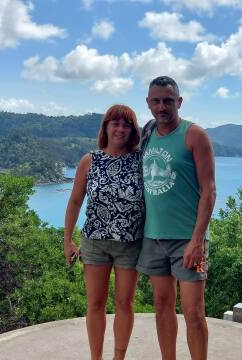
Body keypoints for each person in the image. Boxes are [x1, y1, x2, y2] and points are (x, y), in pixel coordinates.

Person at [136, 76, 216, 360]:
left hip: (187, 239)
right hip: (153, 237)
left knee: (194, 313)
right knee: (162, 307)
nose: (162, 106)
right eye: (156, 101)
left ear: (179, 102)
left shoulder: (194, 135)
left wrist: (198, 240)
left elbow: (209, 190)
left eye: (168, 101)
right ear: (148, 103)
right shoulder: (146, 136)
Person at [63, 104, 145, 360]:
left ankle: (118, 358)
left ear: (133, 130)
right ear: (106, 127)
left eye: (126, 124)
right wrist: (67, 240)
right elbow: (75, 201)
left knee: (125, 304)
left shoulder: (141, 159)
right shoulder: (90, 160)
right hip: (94, 242)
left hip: (130, 243)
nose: (120, 129)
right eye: (115, 123)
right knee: (95, 304)